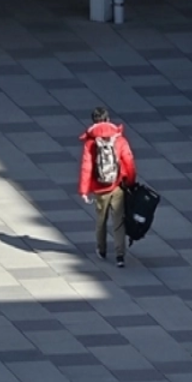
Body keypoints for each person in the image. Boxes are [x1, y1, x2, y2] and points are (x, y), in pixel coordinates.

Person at [78, 107, 137, 267]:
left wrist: (84, 191)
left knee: (100, 221)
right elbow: (129, 163)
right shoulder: (119, 139)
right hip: (118, 185)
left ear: (93, 121)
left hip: (99, 188)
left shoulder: (91, 142)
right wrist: (130, 182)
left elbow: (86, 167)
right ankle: (120, 256)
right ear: (108, 119)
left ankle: (102, 250)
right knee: (118, 222)